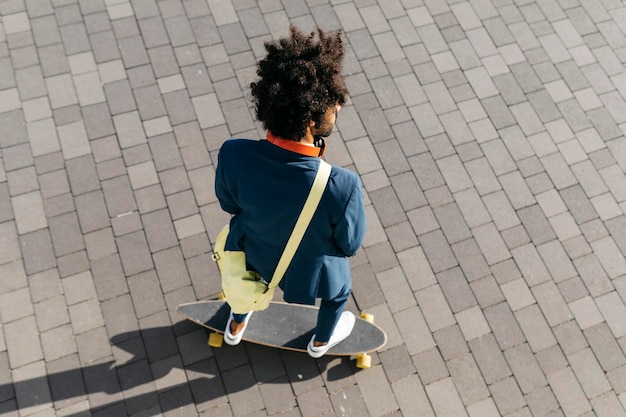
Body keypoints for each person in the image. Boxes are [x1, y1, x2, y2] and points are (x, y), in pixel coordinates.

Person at [214, 25, 367, 358]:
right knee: (339, 292)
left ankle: (237, 323)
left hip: (253, 253)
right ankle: (320, 343)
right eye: (332, 103)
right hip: (307, 274)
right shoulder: (342, 185)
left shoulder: (233, 152)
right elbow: (349, 245)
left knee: (245, 287)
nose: (338, 107)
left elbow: (230, 204)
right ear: (311, 122)